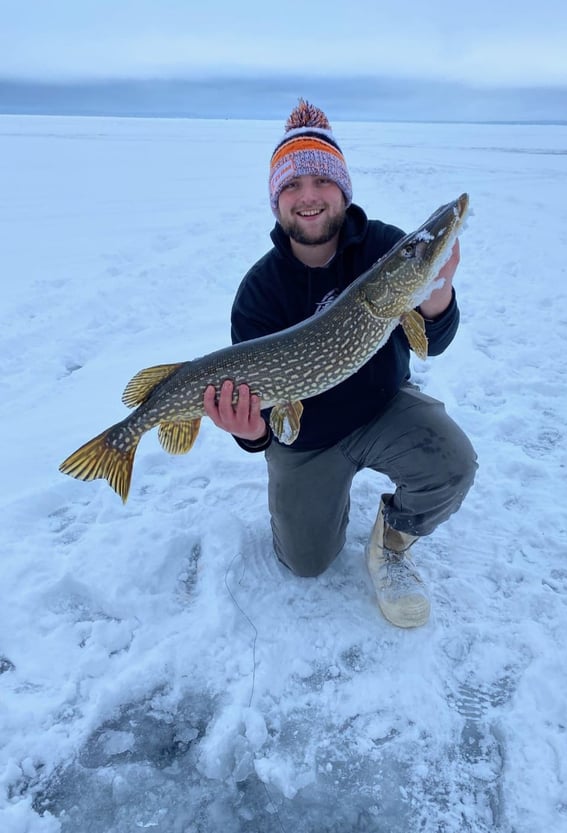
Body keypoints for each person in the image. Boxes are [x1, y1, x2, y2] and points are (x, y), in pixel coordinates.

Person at [203, 100, 477, 628]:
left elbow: (432, 341)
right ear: (276, 201)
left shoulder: (384, 248)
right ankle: (322, 499)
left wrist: (436, 290)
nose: (308, 197)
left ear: (343, 190)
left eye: (321, 181)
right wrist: (250, 432)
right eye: (291, 186)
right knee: (306, 562)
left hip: (383, 407)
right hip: (305, 441)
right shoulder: (258, 292)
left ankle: (392, 542)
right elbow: (259, 424)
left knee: (453, 463)